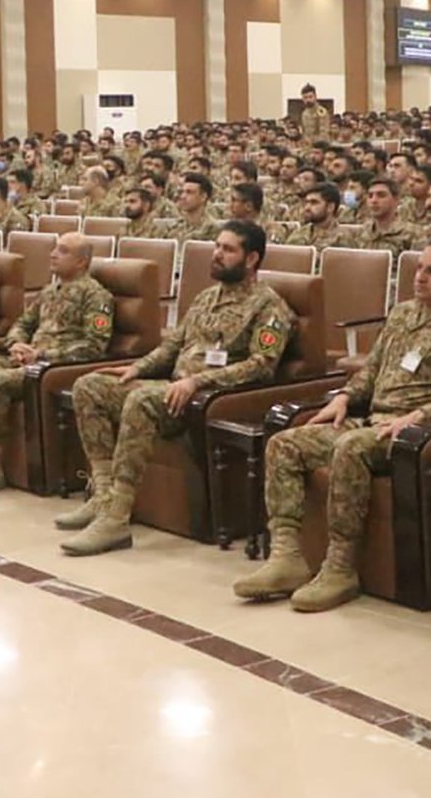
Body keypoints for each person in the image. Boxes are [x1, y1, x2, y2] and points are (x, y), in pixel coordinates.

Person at [234, 240, 431, 611]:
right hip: (371, 420)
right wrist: (344, 396)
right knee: (285, 442)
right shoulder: (403, 314)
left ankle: (341, 567)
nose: (420, 277)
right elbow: (371, 372)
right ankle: (287, 556)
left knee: (350, 447)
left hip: (413, 434)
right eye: (419, 268)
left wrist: (421, 415)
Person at [61, 221, 294, 557]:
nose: (216, 254)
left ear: (252, 258)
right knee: (90, 386)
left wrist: (199, 381)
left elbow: (262, 364)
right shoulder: (205, 297)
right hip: (171, 387)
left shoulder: (269, 307)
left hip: (206, 398)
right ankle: (102, 494)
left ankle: (116, 519)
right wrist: (137, 367)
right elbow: (172, 347)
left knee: (141, 400)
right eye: (217, 246)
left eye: (228, 249)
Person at [0, 233, 115, 497]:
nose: (53, 254)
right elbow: (22, 324)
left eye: (63, 251)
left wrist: (41, 354)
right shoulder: (49, 291)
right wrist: (16, 343)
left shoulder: (97, 296)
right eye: (54, 249)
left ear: (82, 262)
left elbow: (94, 345)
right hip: (23, 358)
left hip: (52, 367)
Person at [353, 177, 416, 258]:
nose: (374, 200)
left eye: (381, 195)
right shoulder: (360, 233)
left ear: (396, 200)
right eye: (370, 196)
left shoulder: (412, 234)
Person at [282, 182, 344, 250]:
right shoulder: (300, 232)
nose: (307, 207)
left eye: (314, 202)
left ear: (330, 207)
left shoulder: (342, 238)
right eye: (306, 202)